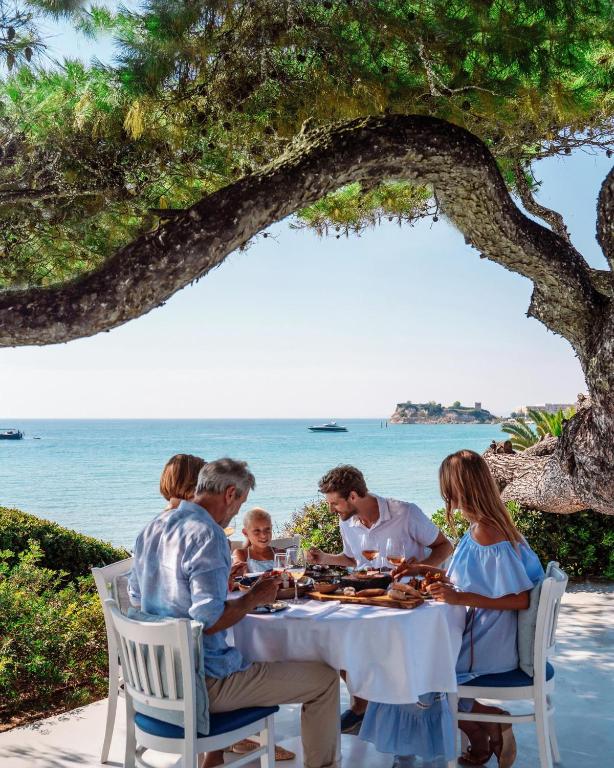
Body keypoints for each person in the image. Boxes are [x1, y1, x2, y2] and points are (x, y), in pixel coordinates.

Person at [129, 458, 340, 768]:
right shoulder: (208, 534)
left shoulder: (153, 527)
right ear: (229, 494)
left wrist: (220, 587)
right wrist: (253, 598)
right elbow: (208, 621)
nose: (238, 509)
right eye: (240, 501)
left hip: (155, 680)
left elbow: (137, 596)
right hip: (204, 683)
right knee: (324, 679)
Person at [365, 449, 544, 768]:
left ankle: (416, 751)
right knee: (415, 659)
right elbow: (475, 579)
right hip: (483, 635)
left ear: (458, 489)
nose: (446, 496)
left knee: (412, 667)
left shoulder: (487, 533)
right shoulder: (485, 526)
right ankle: (482, 731)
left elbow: (521, 598)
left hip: (488, 644)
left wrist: (459, 599)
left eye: (447, 489)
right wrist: (424, 569)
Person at [307, 464, 453, 734]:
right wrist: (325, 558)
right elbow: (353, 559)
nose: (331, 510)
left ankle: (394, 711)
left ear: (353, 496)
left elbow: (444, 546)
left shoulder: (405, 513)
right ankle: (362, 706)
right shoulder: (346, 521)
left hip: (406, 603)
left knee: (379, 650)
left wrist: (421, 569)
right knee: (337, 640)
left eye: (334, 503)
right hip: (370, 598)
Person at [232, 507, 283, 573]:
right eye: (257, 531)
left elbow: (291, 578)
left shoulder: (280, 553)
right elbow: (241, 579)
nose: (263, 535)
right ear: (245, 533)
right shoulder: (241, 554)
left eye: (267, 529)